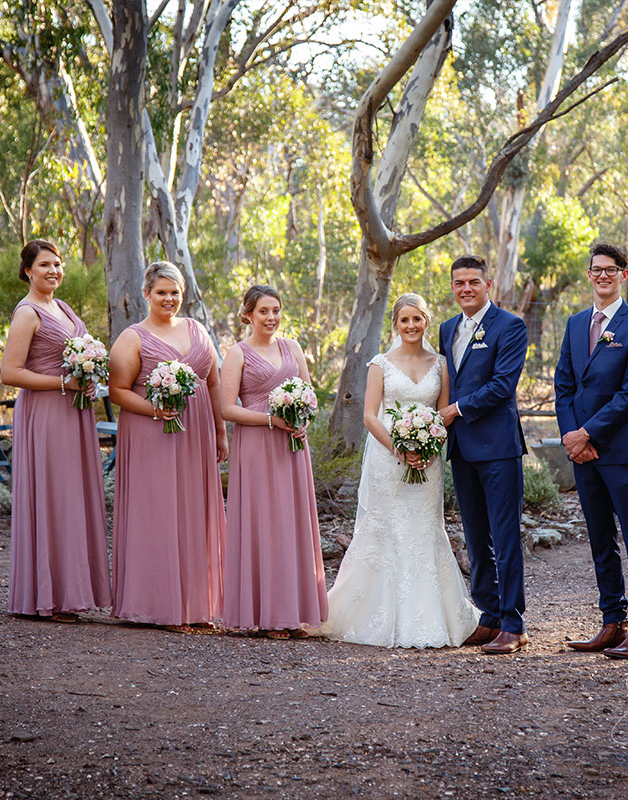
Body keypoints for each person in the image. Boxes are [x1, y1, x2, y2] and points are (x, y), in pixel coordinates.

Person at [321, 295, 480, 647]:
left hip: (428, 460)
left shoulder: (440, 364)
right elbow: (369, 416)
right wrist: (399, 448)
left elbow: (442, 414)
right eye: (404, 320)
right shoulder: (380, 363)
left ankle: (432, 616)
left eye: (417, 319)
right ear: (395, 324)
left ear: (426, 321)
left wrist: (427, 448)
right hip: (387, 459)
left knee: (424, 530)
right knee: (386, 529)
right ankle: (370, 614)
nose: (411, 326)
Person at [108, 261, 228, 632]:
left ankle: (194, 605)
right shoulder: (132, 338)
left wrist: (220, 431)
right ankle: (160, 606)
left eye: (175, 292)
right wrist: (155, 409)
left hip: (196, 435)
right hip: (150, 437)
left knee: (193, 512)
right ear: (146, 294)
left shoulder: (197, 330)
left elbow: (212, 383)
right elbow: (117, 392)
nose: (169, 298)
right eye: (161, 292)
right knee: (159, 514)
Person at [554, 242, 628, 659]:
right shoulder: (576, 323)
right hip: (582, 453)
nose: (602, 275)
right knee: (599, 539)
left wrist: (589, 434)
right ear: (589, 274)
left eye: (610, 270)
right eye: (596, 269)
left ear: (623, 275)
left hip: (620, 451)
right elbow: (563, 385)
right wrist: (570, 436)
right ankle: (611, 622)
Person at [0, 239, 111, 621]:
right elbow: (10, 373)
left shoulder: (62, 307)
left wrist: (90, 376)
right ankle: (52, 596)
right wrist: (65, 384)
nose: (53, 271)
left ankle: (74, 592)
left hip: (75, 412)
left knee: (75, 496)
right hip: (46, 413)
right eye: (44, 265)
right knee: (56, 496)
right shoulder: (27, 313)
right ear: (28, 270)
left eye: (58, 264)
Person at [220, 285, 327, 638]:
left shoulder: (292, 348)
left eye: (276, 310)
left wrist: (303, 421)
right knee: (264, 523)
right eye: (264, 311)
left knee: (291, 525)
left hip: (292, 447)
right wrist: (269, 419)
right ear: (248, 314)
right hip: (256, 447)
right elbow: (226, 408)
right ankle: (267, 615)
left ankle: (294, 612)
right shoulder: (237, 354)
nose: (271, 318)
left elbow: (308, 397)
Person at [438, 256, 529, 655]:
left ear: (488, 283)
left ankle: (514, 622)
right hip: (462, 449)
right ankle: (489, 615)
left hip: (498, 448)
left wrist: (454, 411)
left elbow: (501, 386)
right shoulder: (446, 329)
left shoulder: (510, 327)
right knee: (475, 536)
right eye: (459, 283)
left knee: (504, 535)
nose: (466, 289)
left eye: (473, 282)